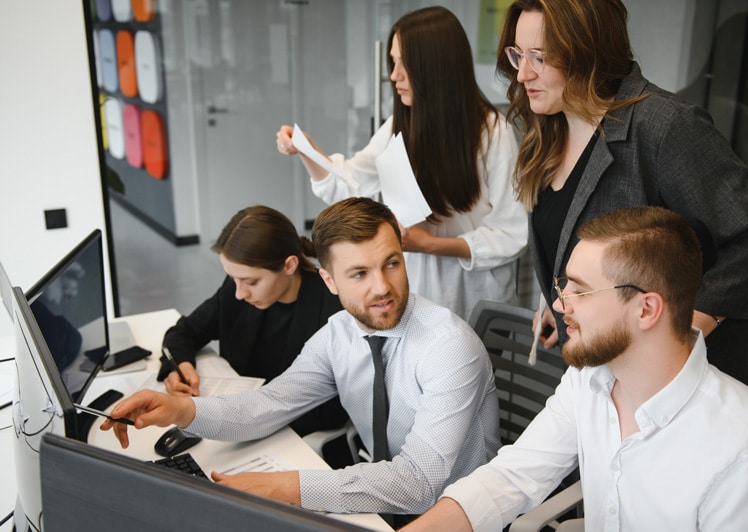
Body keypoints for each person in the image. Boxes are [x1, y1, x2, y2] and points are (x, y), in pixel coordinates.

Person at [403, 206, 748, 532]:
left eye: (580, 290)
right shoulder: (589, 380)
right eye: (563, 288)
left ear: (646, 309)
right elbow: (508, 479)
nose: (560, 306)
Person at [101, 197, 501, 519]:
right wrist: (181, 410)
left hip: (453, 514)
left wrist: (286, 487)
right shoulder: (337, 335)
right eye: (359, 274)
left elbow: (417, 483)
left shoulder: (447, 346)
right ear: (329, 280)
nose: (382, 287)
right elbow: (270, 404)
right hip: (378, 502)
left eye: (391, 263)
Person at [496, 0, 748, 395]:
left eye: (541, 57)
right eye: (518, 54)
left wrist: (685, 330)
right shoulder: (550, 129)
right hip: (614, 377)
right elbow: (570, 235)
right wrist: (561, 303)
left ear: (590, 54)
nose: (523, 73)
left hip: (693, 386)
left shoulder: (665, 127)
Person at [275, 6, 528, 321]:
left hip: (475, 301)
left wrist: (432, 244)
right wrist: (306, 150)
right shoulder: (401, 123)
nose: (394, 75)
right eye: (393, 62)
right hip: (419, 296)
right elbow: (349, 184)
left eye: (405, 63)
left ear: (437, 66)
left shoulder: (492, 131)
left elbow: (512, 235)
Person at [156, 205, 349, 445]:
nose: (239, 293)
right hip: (233, 426)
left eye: (251, 281)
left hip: (288, 436)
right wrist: (181, 368)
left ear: (289, 265)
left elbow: (329, 408)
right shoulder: (238, 288)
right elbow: (184, 332)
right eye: (234, 278)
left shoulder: (333, 309)